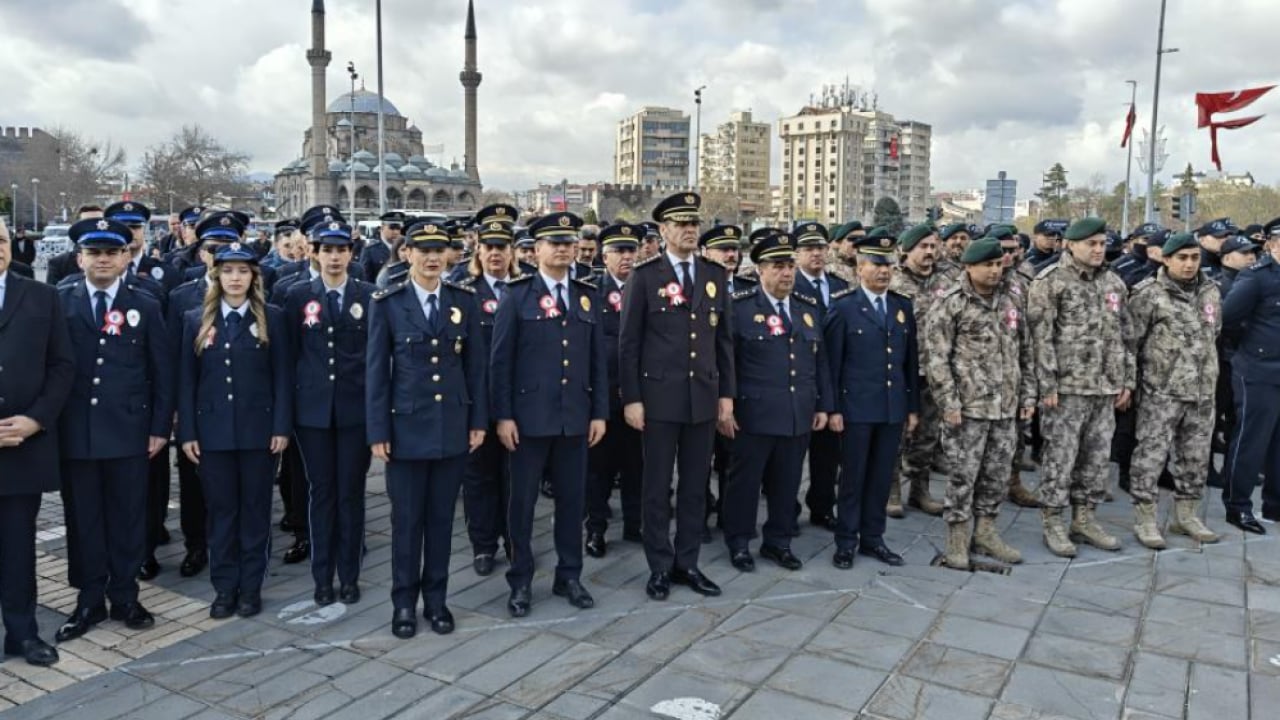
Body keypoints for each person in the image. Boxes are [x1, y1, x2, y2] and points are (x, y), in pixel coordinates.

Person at [53, 218, 171, 642]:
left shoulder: (147, 301)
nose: (103, 259)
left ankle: (125, 595)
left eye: (111, 252)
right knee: (83, 518)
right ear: (80, 257)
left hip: (129, 430)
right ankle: (88, 599)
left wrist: (160, 426)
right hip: (76, 432)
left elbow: (162, 371)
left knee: (127, 516)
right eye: (94, 252)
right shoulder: (60, 301)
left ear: (125, 256)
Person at [367, 220, 486, 638]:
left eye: (440, 250)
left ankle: (437, 602)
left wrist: (477, 421)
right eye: (424, 250)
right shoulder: (388, 303)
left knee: (440, 523)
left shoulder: (462, 300)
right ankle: (403, 604)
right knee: (406, 524)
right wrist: (378, 430)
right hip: (405, 430)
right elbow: (377, 373)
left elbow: (475, 369)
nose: (433, 257)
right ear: (408, 254)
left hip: (451, 429)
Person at [491, 212, 608, 617]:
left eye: (568, 241)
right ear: (535, 249)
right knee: (521, 504)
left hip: (575, 417)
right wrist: (503, 416)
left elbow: (597, 361)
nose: (562, 248)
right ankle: (520, 579)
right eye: (553, 242)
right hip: (528, 419)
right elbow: (500, 362)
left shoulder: (586, 293)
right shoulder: (516, 294)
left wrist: (599, 412)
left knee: (573, 502)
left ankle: (569, 574)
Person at [619, 192, 734, 600]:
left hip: (702, 397)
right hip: (659, 399)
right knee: (656, 487)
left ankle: (688, 563)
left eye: (693, 224)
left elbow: (724, 341)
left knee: (695, 485)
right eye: (680, 224)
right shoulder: (646, 276)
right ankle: (659, 566)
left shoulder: (713, 275)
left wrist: (727, 396)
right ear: (663, 230)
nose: (689, 230)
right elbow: (628, 343)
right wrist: (631, 398)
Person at [177, 243, 292, 619]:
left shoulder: (272, 318)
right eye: (228, 271)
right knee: (222, 513)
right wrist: (189, 433)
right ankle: (225, 587)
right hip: (213, 435)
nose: (236, 278)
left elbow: (282, 378)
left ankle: (251, 587)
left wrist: (280, 427)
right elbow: (187, 383)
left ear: (254, 277)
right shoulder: (196, 319)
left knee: (255, 512)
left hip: (259, 433)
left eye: (243, 271)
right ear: (217, 275)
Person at [721, 232, 832, 572]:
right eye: (777, 266)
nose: (786, 273)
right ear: (760, 270)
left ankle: (778, 541)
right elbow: (725, 361)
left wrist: (824, 405)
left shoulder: (807, 308)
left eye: (789, 266)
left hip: (797, 412)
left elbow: (820, 361)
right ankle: (739, 542)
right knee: (745, 484)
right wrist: (724, 405)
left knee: (787, 483)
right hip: (753, 414)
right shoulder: (739, 308)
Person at [1027, 218, 1133, 557]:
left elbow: (1125, 335)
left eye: (1102, 243)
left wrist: (1126, 380)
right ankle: (1053, 522)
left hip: (1104, 389)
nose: (1099, 249)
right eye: (1092, 243)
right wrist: (1046, 384)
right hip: (1067, 389)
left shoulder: (1114, 283)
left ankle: (1084, 518)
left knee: (1097, 460)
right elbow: (1038, 338)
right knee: (1060, 458)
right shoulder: (1051, 282)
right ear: (1070, 245)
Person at [926, 239, 1033, 569]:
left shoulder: (1011, 300)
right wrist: (948, 401)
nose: (994, 270)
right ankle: (957, 538)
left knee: (997, 475)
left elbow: (1025, 351)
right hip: (967, 410)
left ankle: (986, 532)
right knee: (962, 476)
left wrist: (1027, 395)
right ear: (969, 267)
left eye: (998, 264)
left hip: (1005, 407)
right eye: (987, 265)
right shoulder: (951, 304)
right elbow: (937, 358)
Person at [284, 221, 374, 606]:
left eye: (341, 250)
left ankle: (349, 574)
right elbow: (288, 359)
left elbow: (375, 358)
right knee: (320, 494)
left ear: (351, 254)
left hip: (355, 413)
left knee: (351, 494)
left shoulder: (369, 295)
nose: (334, 257)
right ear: (314, 253)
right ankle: (323, 576)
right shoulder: (295, 295)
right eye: (327, 250)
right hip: (313, 415)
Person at [824, 228, 919, 569]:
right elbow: (831, 364)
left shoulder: (900, 306)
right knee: (853, 477)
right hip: (855, 409)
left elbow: (910, 362)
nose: (883, 271)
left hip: (891, 407)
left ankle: (873, 538)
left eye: (888, 265)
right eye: (875, 265)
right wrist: (832, 408)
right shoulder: (844, 307)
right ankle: (846, 541)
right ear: (860, 267)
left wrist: (911, 407)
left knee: (881, 478)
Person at [0, 218, 72, 667]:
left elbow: (63, 366)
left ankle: (22, 633)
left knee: (17, 547)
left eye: (1, 240)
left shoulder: (42, 297)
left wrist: (35, 420)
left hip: (21, 446)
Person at [1125, 232, 1221, 548]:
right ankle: (1146, 517)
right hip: (1161, 392)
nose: (1190, 264)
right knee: (1151, 456)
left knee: (1195, 457)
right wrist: (1130, 384)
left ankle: (1186, 515)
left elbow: (1213, 333)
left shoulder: (1210, 291)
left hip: (1202, 391)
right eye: (1182, 258)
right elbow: (1130, 343)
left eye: (1195, 257)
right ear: (1165, 259)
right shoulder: (1148, 294)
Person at [457, 217, 522, 576]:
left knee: (515, 476)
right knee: (479, 477)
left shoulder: (526, 289)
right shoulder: (466, 294)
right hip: (478, 400)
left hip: (517, 400)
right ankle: (483, 545)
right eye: (489, 247)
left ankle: (515, 539)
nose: (495, 254)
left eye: (502, 247)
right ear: (478, 251)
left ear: (511, 252)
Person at [584, 224, 645, 557]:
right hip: (603, 397)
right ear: (603, 255)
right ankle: (596, 529)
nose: (626, 257)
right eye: (619, 251)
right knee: (599, 471)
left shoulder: (648, 288)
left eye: (630, 251)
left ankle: (636, 524)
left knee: (638, 466)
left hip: (638, 396)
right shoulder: (591, 290)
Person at [1219, 218, 1280, 532]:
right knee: (1250, 441)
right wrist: (1251, 348)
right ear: (1272, 244)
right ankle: (1237, 506)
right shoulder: (1256, 278)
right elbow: (1227, 319)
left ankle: (1275, 505)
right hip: (1257, 370)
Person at [790, 223, 849, 529]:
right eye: (808, 248)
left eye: (820, 248)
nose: (816, 254)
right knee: (791, 454)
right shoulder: (789, 285)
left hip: (834, 380)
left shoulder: (840, 285)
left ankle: (822, 506)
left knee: (828, 453)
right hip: (798, 376)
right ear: (796, 254)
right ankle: (787, 508)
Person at [886, 223, 947, 518]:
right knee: (895, 433)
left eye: (933, 246)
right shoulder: (892, 282)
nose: (930, 252)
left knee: (928, 435)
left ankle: (920, 490)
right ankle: (892, 489)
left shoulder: (948, 281)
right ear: (906, 250)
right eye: (923, 247)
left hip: (934, 372)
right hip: (900, 371)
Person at [698, 224, 754, 536]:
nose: (730, 255)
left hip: (740, 388)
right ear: (706, 253)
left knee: (733, 459)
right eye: (723, 249)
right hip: (705, 386)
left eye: (733, 248)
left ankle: (729, 515)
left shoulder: (749, 287)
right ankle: (702, 512)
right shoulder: (696, 285)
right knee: (700, 460)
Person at [361, 211, 405, 281]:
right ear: (382, 228)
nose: (396, 232)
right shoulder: (370, 250)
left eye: (398, 228)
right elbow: (365, 278)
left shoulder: (405, 249)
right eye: (392, 228)